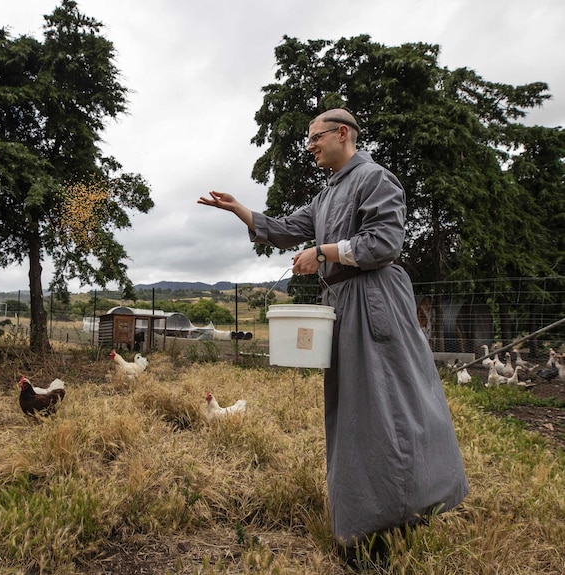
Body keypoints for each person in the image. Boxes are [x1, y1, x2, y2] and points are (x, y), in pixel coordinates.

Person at [198, 108, 468, 563]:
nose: (309, 146)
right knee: (354, 414)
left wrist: (322, 253)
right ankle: (368, 522)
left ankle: (395, 519)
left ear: (343, 134)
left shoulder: (375, 179)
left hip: (376, 303)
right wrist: (240, 210)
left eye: (315, 137)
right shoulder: (327, 196)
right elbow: (286, 231)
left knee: (386, 408)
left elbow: (384, 243)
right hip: (344, 305)